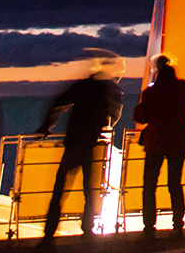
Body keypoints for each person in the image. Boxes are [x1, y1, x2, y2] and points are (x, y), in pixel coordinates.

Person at [35, 62, 121, 248]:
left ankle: (49, 234)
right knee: (89, 191)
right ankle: (87, 230)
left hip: (73, 142)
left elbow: (59, 102)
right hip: (89, 143)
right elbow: (114, 114)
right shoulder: (106, 91)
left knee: (60, 189)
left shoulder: (82, 86)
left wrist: (47, 125)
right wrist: (105, 127)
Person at [134, 55, 185, 238]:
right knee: (175, 183)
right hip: (178, 140)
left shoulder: (152, 92)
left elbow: (141, 117)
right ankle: (177, 226)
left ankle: (149, 227)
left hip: (156, 141)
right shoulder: (183, 88)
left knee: (150, 185)